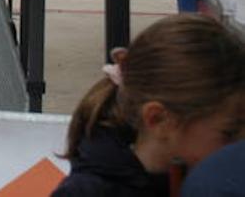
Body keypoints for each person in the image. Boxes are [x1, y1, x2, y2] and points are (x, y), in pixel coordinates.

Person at [55, 14, 245, 197]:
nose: (240, 144)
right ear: (159, 119)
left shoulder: (210, 181)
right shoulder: (89, 192)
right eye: (229, 132)